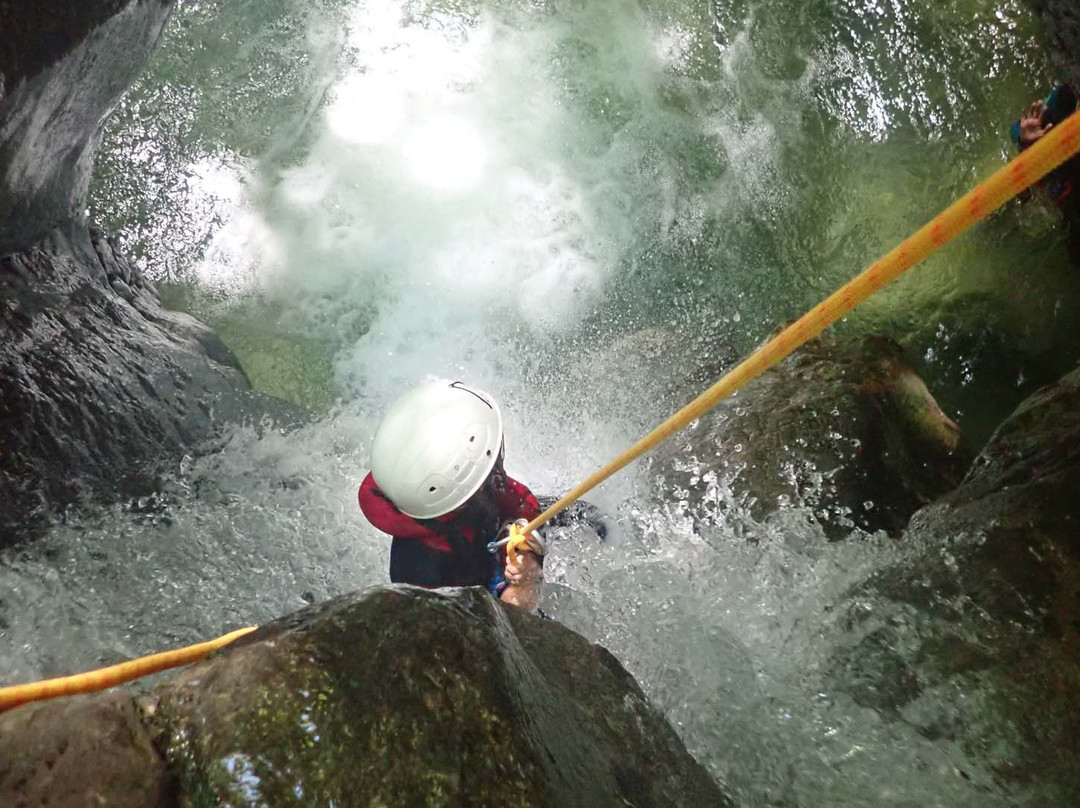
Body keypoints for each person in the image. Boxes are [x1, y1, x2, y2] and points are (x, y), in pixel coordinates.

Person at [358, 380, 546, 611]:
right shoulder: (422, 570)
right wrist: (520, 591)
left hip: (482, 544)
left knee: (591, 519)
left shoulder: (442, 495)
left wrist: (527, 553)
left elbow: (518, 505)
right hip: (477, 591)